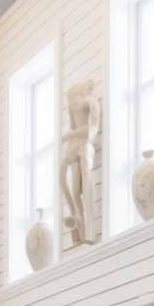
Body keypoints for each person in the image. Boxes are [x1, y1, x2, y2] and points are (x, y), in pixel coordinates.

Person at [59, 80, 99, 245]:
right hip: (74, 144)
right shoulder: (72, 107)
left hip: (85, 143)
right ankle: (77, 222)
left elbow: (92, 127)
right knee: (71, 186)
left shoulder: (91, 101)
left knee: (86, 168)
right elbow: (73, 127)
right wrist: (69, 145)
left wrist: (70, 135)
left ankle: (89, 228)